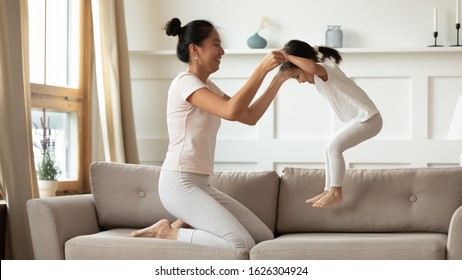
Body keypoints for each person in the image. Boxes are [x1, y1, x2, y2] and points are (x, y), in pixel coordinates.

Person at [127, 18, 287, 251]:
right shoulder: (185, 83)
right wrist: (261, 68)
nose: (222, 51)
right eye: (216, 44)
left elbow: (249, 116)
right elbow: (230, 111)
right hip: (179, 182)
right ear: (195, 49)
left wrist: (278, 78)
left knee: (262, 236)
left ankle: (179, 225)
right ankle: (167, 233)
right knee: (239, 243)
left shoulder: (208, 87)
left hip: (200, 183)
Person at [279, 39, 383, 208]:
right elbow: (309, 66)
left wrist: (286, 55)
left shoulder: (325, 70)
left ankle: (336, 192)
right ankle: (328, 190)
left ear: (305, 63)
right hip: (358, 120)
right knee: (328, 148)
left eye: (298, 76)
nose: (300, 81)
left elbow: (311, 67)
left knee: (334, 147)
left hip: (368, 118)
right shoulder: (321, 71)